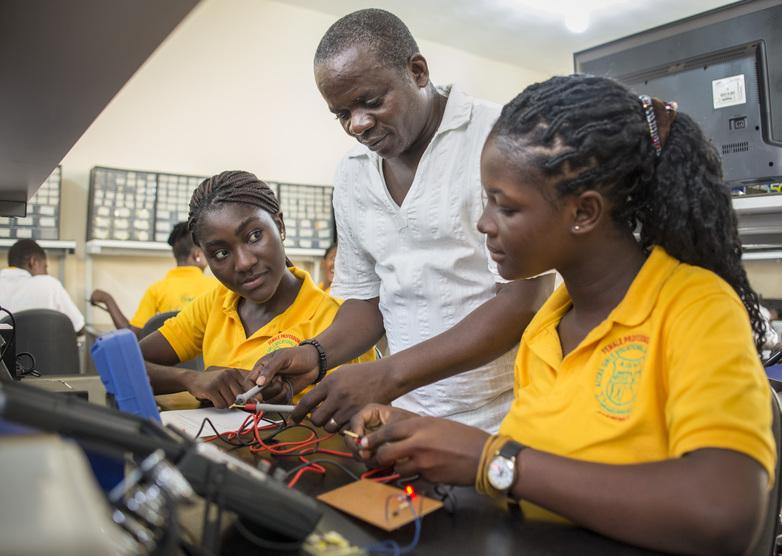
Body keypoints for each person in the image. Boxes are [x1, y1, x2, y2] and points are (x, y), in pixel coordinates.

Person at [347, 75, 775, 555]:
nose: (484, 223)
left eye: (504, 206)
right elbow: (544, 477)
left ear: (583, 213)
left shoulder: (696, 307)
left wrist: (491, 461)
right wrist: (426, 441)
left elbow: (724, 513)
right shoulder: (546, 328)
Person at [252, 9, 553, 433]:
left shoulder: (498, 137)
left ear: (417, 71)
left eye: (372, 102)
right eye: (342, 114)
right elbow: (367, 301)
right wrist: (316, 355)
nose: (358, 124)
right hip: (401, 411)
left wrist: (388, 375)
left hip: (507, 411)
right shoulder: (353, 173)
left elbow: (524, 297)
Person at [139, 171, 374, 408]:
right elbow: (125, 364)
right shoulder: (216, 302)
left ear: (279, 225)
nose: (243, 263)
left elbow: (357, 421)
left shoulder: (340, 323)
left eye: (254, 236)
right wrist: (191, 379)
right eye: (221, 253)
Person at [89, 222, 217, 337]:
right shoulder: (217, 287)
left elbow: (132, 335)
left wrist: (107, 299)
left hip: (168, 362)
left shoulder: (157, 290)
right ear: (198, 255)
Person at [0, 239, 84, 333]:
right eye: (45, 267)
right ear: (33, 262)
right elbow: (79, 328)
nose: (46, 273)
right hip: (43, 347)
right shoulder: (50, 284)